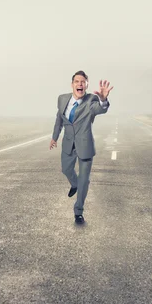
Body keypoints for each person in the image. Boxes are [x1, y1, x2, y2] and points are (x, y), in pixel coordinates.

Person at [50, 70, 113, 224]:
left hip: (85, 146)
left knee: (84, 180)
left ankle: (78, 211)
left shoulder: (91, 100)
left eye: (83, 82)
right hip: (68, 144)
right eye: (77, 81)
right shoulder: (62, 99)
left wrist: (103, 100)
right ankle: (75, 184)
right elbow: (59, 119)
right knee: (66, 170)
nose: (80, 84)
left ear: (86, 85)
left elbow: (100, 109)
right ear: (72, 85)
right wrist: (54, 137)